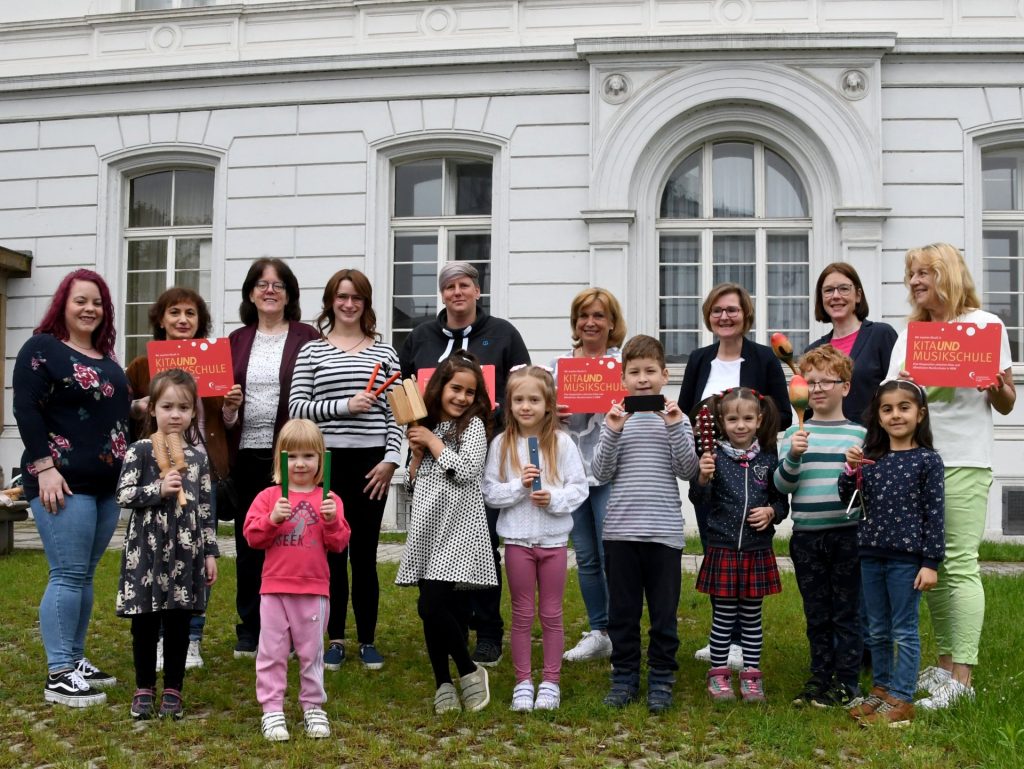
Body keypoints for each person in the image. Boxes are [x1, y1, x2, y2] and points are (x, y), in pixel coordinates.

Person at [887, 243, 1015, 709]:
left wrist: (997, 386)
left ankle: (962, 677)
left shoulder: (985, 326)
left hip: (963, 459)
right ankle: (943, 668)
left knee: (959, 563)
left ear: (950, 275)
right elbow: (893, 397)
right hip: (916, 462)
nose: (917, 282)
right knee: (932, 566)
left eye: (926, 273)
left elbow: (1005, 402)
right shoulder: (911, 335)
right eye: (912, 275)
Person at [399, 261, 530, 666]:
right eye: (450, 286)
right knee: (437, 546)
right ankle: (450, 622)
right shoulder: (420, 336)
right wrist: (415, 442)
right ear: (442, 294)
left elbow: (522, 387)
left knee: (482, 546)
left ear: (477, 291)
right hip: (432, 458)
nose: (457, 292)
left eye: (465, 285)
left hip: (487, 454)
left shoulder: (504, 333)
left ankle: (488, 630)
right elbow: (406, 392)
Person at [13, 269, 130, 707]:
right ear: (63, 303)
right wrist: (44, 466)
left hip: (104, 487)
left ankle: (75, 660)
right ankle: (59, 672)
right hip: (61, 483)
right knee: (66, 573)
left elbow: (115, 412)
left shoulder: (104, 356)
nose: (90, 309)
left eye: (97, 302)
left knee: (83, 574)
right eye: (81, 300)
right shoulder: (42, 349)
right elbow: (26, 408)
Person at [125, 287, 243, 670]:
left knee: (194, 559)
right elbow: (122, 413)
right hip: (156, 471)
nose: (182, 320)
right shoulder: (142, 366)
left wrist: (229, 407)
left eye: (190, 313)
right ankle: (160, 636)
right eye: (174, 312)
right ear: (161, 319)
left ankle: (192, 637)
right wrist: (139, 405)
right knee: (157, 558)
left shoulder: (214, 363)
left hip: (201, 470)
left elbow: (224, 426)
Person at [289, 268, 402, 672]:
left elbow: (397, 414)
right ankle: (335, 639)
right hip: (327, 463)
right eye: (342, 297)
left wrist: (392, 461)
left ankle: (368, 640)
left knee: (366, 556)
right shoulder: (312, 352)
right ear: (330, 301)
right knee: (332, 556)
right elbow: (297, 408)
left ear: (366, 303)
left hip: (372, 464)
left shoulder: (385, 354)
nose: (349, 304)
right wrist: (344, 406)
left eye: (357, 297)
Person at [677, 282, 791, 667]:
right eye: (717, 311)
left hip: (753, 475)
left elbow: (783, 414)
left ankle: (744, 642)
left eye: (732, 310)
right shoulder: (699, 359)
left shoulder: (763, 358)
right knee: (716, 553)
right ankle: (721, 638)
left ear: (746, 315)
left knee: (749, 552)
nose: (725, 317)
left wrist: (752, 438)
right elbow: (683, 413)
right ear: (709, 316)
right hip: (711, 472)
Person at [591, 335, 699, 713]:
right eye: (634, 372)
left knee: (664, 614)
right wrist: (613, 430)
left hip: (664, 534)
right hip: (620, 532)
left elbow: (689, 470)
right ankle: (624, 677)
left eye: (650, 371)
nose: (642, 379)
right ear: (622, 379)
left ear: (664, 375)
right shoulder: (615, 420)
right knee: (622, 613)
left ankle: (661, 679)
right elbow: (600, 473)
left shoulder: (677, 419)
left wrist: (673, 426)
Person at [482, 366, 589, 712]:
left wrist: (553, 499)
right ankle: (523, 681)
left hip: (554, 543)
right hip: (517, 541)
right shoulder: (501, 444)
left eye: (534, 399)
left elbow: (579, 488)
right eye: (518, 399)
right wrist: (519, 487)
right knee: (522, 614)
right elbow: (490, 492)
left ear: (548, 404)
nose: (526, 406)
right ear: (509, 404)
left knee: (553, 614)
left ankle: (551, 682)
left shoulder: (562, 443)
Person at [395, 351, 496, 714]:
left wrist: (435, 446)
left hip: (458, 529)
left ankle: (470, 670)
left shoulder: (474, 427)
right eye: (456, 388)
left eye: (470, 392)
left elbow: (467, 470)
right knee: (439, 610)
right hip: (427, 529)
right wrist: (418, 456)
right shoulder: (425, 425)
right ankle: (443, 682)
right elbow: (409, 486)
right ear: (439, 388)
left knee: (431, 605)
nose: (462, 398)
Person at [227, 258, 319, 658]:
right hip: (246, 452)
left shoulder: (308, 337)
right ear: (250, 292)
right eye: (262, 284)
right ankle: (250, 626)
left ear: (289, 294)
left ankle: (304, 628)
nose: (270, 290)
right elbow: (220, 411)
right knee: (250, 542)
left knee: (298, 538)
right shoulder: (234, 341)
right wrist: (230, 408)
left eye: (278, 285)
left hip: (293, 454)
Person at [115, 369, 218, 721]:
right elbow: (124, 495)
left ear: (193, 413)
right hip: (146, 548)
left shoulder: (199, 458)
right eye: (167, 406)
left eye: (184, 408)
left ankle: (173, 688)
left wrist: (210, 553)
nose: (175, 415)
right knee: (145, 620)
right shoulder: (140, 451)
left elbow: (205, 509)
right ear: (152, 409)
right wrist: (156, 490)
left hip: (185, 550)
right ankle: (144, 687)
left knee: (178, 619)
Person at [840, 380, 944, 727]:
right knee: (877, 629)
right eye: (887, 409)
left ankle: (903, 695)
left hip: (906, 560)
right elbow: (849, 499)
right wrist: (850, 470)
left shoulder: (927, 460)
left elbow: (935, 514)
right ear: (878, 417)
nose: (896, 414)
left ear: (920, 414)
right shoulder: (871, 458)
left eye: (904, 407)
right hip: (870, 554)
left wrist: (930, 563)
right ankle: (881, 690)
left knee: (904, 629)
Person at [243, 419, 351, 742]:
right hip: (274, 590)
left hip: (314, 590)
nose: (300, 463)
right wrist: (272, 519)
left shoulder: (329, 499)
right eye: (291, 456)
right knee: (271, 652)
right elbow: (251, 536)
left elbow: (340, 543)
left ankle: (313, 706)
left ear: (321, 459)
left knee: (311, 652)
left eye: (308, 456)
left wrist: (332, 522)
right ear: (280, 460)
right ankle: (272, 709)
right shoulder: (268, 497)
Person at [774, 346, 866, 708]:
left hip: (847, 534)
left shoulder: (859, 434)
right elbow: (783, 487)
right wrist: (794, 455)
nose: (817, 388)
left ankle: (846, 682)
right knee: (817, 612)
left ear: (845, 387)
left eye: (827, 381)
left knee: (846, 611)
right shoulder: (792, 434)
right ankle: (819, 677)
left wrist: (857, 468)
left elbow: (864, 492)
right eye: (809, 382)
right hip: (807, 537)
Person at [690, 387, 787, 703]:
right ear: (721, 420)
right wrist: (702, 479)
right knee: (723, 618)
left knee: (752, 619)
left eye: (747, 418)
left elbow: (781, 503)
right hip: (723, 549)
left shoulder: (769, 460)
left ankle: (751, 677)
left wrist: (772, 512)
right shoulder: (714, 458)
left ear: (759, 420)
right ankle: (719, 675)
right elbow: (698, 499)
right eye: (733, 419)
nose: (740, 425)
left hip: (757, 551)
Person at [550, 288, 625, 663]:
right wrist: (553, 415)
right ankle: (599, 631)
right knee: (586, 556)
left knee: (612, 553)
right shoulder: (558, 366)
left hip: (610, 471)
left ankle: (620, 629)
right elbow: (534, 414)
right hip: (571, 473)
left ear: (612, 323)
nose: (590, 322)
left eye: (599, 315)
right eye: (584, 315)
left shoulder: (623, 365)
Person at [805, 263, 898, 424]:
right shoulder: (813, 350)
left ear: (858, 295)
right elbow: (810, 409)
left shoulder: (881, 335)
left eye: (844, 289)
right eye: (828, 290)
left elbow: (898, 391)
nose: (835, 296)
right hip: (831, 444)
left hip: (875, 442)